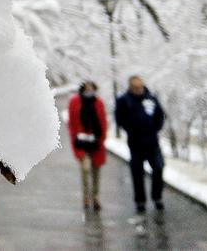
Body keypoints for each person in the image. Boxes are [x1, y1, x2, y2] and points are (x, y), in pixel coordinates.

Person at [115, 75, 166, 213]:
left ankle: (157, 197)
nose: (138, 89)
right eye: (135, 87)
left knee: (159, 168)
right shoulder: (124, 101)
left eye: (140, 87)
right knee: (137, 173)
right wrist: (132, 130)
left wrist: (154, 128)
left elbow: (160, 115)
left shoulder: (151, 98)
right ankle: (140, 201)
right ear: (131, 87)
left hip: (152, 142)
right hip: (135, 143)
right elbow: (120, 119)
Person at [68, 80, 108, 210]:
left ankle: (96, 197)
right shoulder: (75, 102)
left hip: (96, 143)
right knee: (85, 170)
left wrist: (101, 139)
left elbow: (103, 122)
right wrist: (75, 138)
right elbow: (72, 123)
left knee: (96, 171)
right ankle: (86, 197)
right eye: (87, 89)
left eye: (92, 89)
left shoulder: (99, 102)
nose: (89, 91)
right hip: (81, 142)